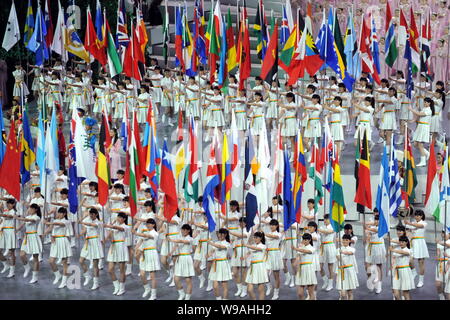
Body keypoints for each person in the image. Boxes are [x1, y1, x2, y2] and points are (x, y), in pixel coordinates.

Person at [132, 218, 161, 300]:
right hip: (144, 254)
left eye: (149, 224)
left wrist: (136, 233)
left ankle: (153, 294)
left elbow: (146, 236)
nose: (147, 225)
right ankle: (147, 289)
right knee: (142, 274)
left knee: (152, 276)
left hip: (152, 254)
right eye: (147, 224)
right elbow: (141, 241)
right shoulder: (146, 232)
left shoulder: (155, 233)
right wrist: (136, 250)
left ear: (153, 225)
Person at [44, 207, 72, 288]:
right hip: (55, 242)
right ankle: (58, 275)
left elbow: (60, 224)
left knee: (64, 263)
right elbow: (50, 229)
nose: (58, 214)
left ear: (64, 214)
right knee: (51, 261)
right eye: (58, 213)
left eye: (60, 213)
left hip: (63, 241)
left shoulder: (66, 221)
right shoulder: (55, 221)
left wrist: (49, 223)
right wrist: (44, 234)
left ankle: (64, 281)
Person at [16, 204, 42, 283]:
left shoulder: (37, 217)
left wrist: (19, 218)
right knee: (22, 254)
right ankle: (27, 267)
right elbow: (23, 224)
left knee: (35, 258)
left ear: (35, 210)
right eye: (29, 209)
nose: (29, 210)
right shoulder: (27, 217)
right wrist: (17, 230)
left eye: (31, 209)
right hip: (27, 237)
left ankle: (35, 277)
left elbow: (31, 221)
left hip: (34, 236)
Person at [104, 212, 130, 296]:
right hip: (113, 247)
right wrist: (107, 239)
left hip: (121, 247)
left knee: (122, 270)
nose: (118, 218)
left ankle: (122, 288)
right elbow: (111, 235)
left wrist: (110, 225)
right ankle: (116, 286)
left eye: (120, 217)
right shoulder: (114, 226)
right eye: (117, 217)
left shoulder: (125, 227)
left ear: (124, 219)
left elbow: (119, 229)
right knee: (110, 269)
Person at [79, 208, 104, 290]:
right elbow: (85, 229)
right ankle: (87, 275)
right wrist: (80, 234)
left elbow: (91, 225)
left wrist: (82, 222)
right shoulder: (87, 219)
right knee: (81, 261)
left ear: (96, 214)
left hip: (95, 242)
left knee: (95, 264)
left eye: (93, 214)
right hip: (87, 242)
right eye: (90, 214)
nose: (91, 215)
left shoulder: (98, 222)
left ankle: (96, 283)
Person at [168, 224, 195, 300]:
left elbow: (181, 241)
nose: (183, 231)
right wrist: (171, 252)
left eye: (185, 230)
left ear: (189, 231)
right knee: (176, 279)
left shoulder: (190, 239)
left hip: (187, 258)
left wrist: (171, 240)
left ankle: (187, 298)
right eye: (182, 229)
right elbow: (176, 246)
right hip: (180, 258)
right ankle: (182, 293)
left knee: (188, 280)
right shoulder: (180, 237)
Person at [405, 210, 429, 288]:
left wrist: (409, 223)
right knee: (409, 259)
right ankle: (414, 271)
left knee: (421, 262)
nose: (416, 216)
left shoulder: (424, 223)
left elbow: (418, 226)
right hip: (413, 243)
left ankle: (421, 281)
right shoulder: (413, 223)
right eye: (415, 215)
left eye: (418, 215)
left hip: (420, 242)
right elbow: (408, 229)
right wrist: (405, 223)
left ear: (422, 216)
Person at [207, 228, 233, 300]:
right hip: (215, 264)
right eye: (219, 233)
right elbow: (212, 250)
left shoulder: (227, 243)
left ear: (225, 235)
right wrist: (208, 254)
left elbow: (220, 247)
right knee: (215, 286)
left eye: (222, 234)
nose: (220, 235)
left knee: (224, 285)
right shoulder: (216, 242)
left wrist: (211, 243)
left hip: (223, 264)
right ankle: (218, 298)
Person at [363, 215, 386, 294]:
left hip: (379, 246)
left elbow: (375, 230)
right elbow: (366, 227)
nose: (376, 221)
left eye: (378, 220)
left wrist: (367, 228)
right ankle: (371, 281)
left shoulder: (382, 227)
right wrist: (367, 234)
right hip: (371, 247)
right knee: (368, 266)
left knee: (379, 266)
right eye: (375, 220)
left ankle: (379, 285)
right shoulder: (371, 227)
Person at [229, 217, 250, 298]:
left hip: (243, 251)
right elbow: (233, 239)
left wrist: (230, 232)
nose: (240, 224)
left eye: (242, 222)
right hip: (236, 251)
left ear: (245, 223)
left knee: (244, 272)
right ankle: (239, 289)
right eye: (240, 222)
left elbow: (242, 235)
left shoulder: (247, 230)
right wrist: (231, 240)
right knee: (235, 272)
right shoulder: (237, 230)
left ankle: (244, 290)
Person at [244, 231, 268, 300]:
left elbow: (256, 249)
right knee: (249, 289)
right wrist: (245, 256)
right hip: (252, 267)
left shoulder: (263, 246)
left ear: (260, 238)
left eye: (256, 237)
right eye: (254, 237)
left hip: (260, 267)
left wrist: (246, 245)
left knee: (261, 289)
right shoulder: (253, 245)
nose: (255, 239)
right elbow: (250, 251)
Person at [293, 233, 317, 300]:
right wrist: (295, 263)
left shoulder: (312, 248)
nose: (304, 241)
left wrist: (296, 249)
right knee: (300, 294)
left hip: (309, 269)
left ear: (309, 240)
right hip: (301, 269)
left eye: (306, 239)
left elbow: (306, 251)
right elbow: (298, 257)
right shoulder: (300, 248)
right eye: (303, 239)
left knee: (310, 293)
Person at [390, 236, 415, 300]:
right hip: (397, 272)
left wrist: (393, 250)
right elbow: (393, 258)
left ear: (406, 242)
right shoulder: (397, 250)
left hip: (405, 271)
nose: (401, 243)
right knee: (395, 292)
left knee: (405, 293)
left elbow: (404, 252)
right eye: (400, 242)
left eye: (402, 242)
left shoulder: (408, 250)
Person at [336, 234, 359, 300]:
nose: (345, 241)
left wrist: (343, 252)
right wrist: (339, 254)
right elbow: (338, 258)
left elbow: (350, 253)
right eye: (343, 240)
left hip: (350, 271)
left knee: (350, 292)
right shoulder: (338, 249)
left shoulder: (352, 249)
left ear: (349, 241)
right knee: (343, 294)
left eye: (346, 240)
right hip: (342, 271)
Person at [0, 199, 18, 278]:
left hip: (10, 232)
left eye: (9, 204)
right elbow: (3, 219)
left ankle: (12, 271)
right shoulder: (6, 211)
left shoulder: (13, 212)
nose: (8, 205)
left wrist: (2, 214)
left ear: (13, 204)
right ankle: (5, 264)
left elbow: (9, 216)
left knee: (11, 253)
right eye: (7, 204)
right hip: (3, 232)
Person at [264, 219, 283, 300]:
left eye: (273, 225)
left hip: (275, 254)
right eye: (271, 225)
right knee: (264, 273)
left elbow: (274, 237)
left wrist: (264, 234)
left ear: (277, 226)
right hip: (268, 255)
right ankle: (269, 286)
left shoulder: (279, 234)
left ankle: (276, 293)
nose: (271, 226)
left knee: (276, 276)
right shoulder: (266, 234)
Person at [318, 214, 337, 292]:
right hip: (322, 247)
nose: (325, 220)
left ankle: (330, 283)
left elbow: (328, 231)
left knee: (330, 266)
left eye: (327, 219)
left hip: (330, 246)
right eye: (324, 219)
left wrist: (319, 230)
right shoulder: (322, 227)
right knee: (319, 266)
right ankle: (325, 280)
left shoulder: (333, 227)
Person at [435, 230, 449, 300]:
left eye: (445, 233)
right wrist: (437, 256)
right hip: (440, 264)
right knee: (438, 284)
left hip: (448, 264)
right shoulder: (439, 243)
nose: (443, 234)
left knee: (447, 284)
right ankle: (441, 296)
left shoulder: (448, 242)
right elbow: (438, 252)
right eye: (442, 233)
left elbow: (447, 245)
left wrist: (439, 242)